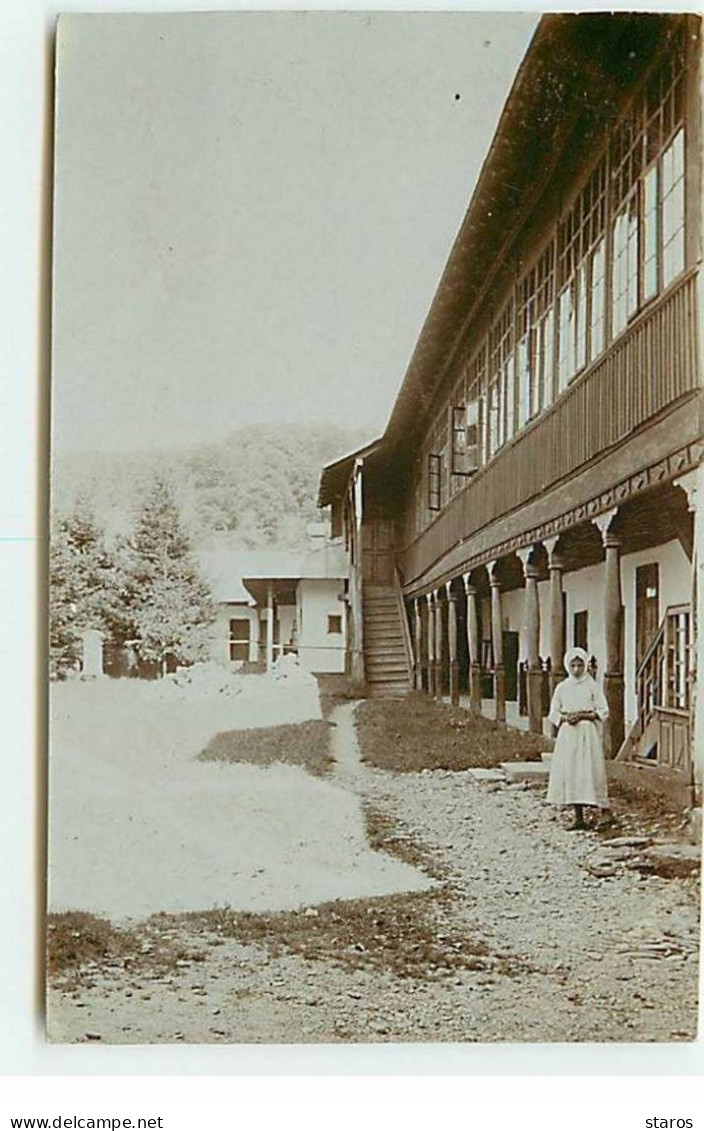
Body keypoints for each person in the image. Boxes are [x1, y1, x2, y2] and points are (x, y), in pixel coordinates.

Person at [547, 646, 610, 830]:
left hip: (587, 734)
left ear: (585, 665)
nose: (576, 670)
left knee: (591, 770)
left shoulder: (592, 686)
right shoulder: (562, 687)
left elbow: (603, 711)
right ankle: (578, 817)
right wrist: (566, 718)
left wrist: (583, 715)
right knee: (572, 771)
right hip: (569, 735)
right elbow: (553, 712)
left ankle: (605, 812)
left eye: (579, 665)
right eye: (573, 665)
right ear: (568, 666)